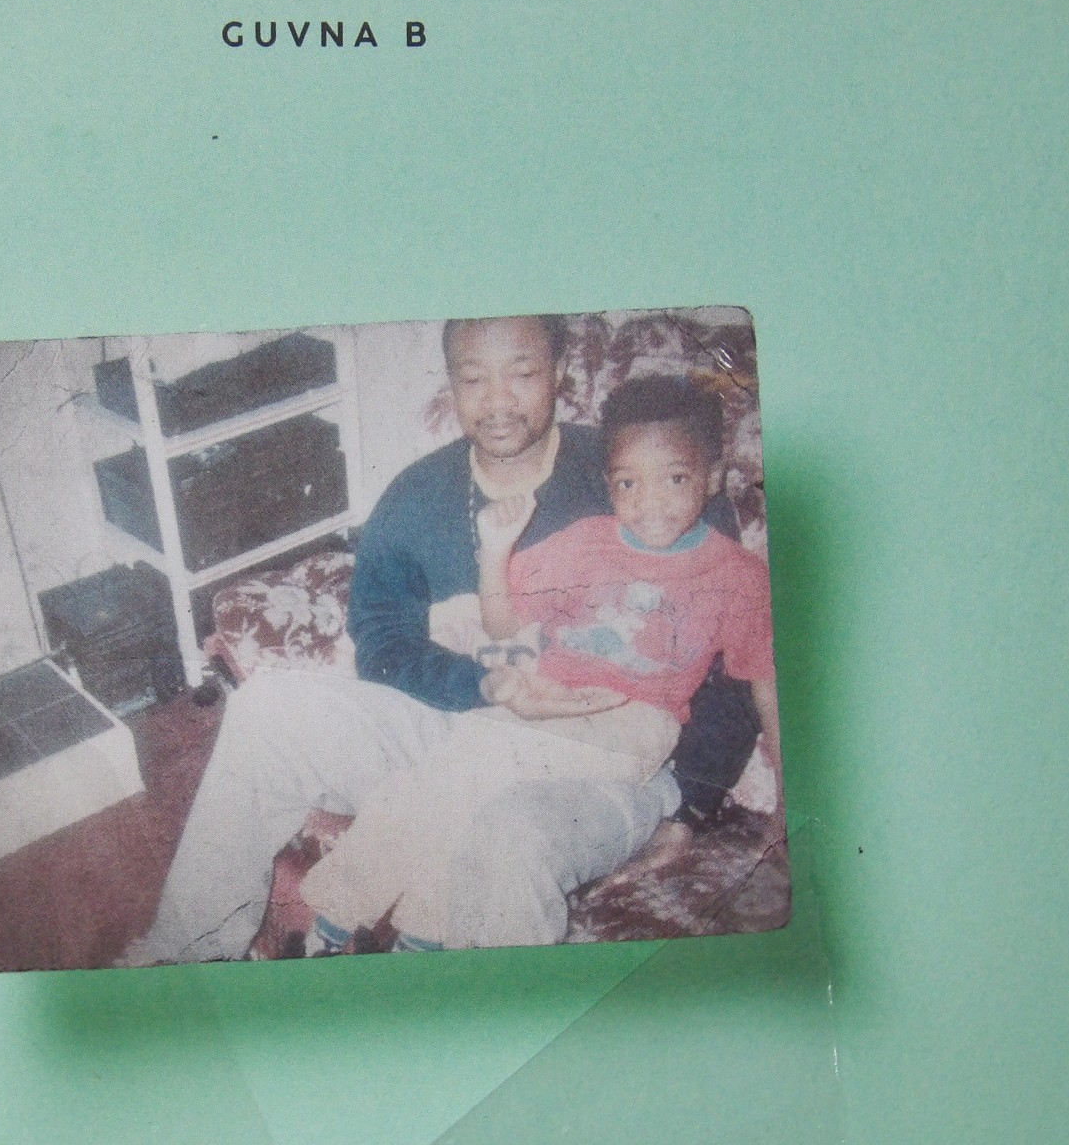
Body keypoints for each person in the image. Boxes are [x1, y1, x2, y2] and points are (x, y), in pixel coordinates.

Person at [120, 315, 765, 964]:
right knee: (267, 709)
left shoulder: (640, 467)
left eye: (522, 372)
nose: (498, 400)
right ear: (452, 386)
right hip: (466, 728)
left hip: (603, 753)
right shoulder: (416, 496)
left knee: (508, 834)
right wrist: (490, 687)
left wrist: (691, 807)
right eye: (474, 378)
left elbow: (732, 670)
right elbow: (382, 645)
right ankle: (184, 953)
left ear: (559, 374)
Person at [296, 374, 779, 949]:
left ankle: (398, 931)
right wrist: (496, 551)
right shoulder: (587, 540)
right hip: (548, 699)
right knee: (436, 778)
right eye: (628, 483)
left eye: (674, 479)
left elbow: (763, 685)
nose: (649, 502)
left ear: (712, 477)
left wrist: (787, 794)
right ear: (609, 484)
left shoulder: (739, 577)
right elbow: (506, 627)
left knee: (472, 777)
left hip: (633, 721)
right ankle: (359, 926)